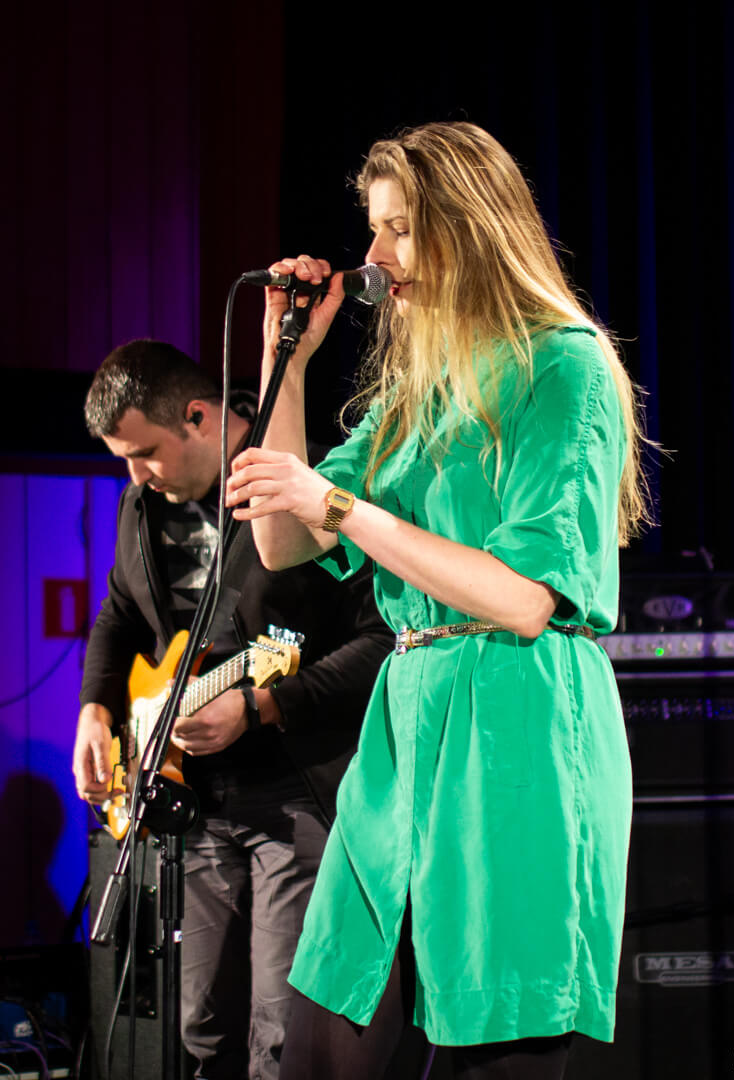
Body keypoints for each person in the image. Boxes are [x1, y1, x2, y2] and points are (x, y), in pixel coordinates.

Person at [224, 121, 653, 1079]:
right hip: (406, 733)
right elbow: (281, 540)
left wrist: (339, 504)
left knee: (496, 1037)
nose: (374, 256)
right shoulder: (416, 392)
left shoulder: (564, 364)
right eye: (374, 229)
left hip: (516, 726)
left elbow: (524, 599)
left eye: (401, 229)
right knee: (322, 1041)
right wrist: (286, 360)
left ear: (471, 227)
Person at [71, 340, 391, 1080]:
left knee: (281, 1032)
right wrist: (94, 708)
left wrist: (267, 704)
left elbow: (383, 639)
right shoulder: (140, 506)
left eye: (145, 453)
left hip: (297, 793)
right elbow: (120, 612)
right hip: (196, 800)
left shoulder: (312, 478)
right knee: (202, 1025)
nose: (136, 475)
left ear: (197, 415)